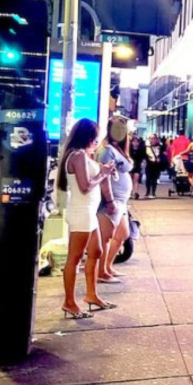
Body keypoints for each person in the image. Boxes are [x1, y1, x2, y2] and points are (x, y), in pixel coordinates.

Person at [58, 118, 117, 319]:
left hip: (88, 212)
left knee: (96, 251)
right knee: (74, 259)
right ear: (87, 136)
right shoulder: (78, 156)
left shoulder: (83, 155)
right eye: (94, 137)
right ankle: (69, 302)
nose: (96, 141)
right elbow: (85, 186)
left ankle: (91, 295)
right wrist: (103, 173)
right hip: (81, 212)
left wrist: (104, 171)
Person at [96, 117, 134, 284]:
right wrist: (109, 200)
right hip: (112, 200)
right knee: (105, 238)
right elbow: (103, 176)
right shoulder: (107, 150)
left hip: (121, 200)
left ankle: (108, 266)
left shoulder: (117, 149)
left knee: (122, 234)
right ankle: (101, 271)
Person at [145, 134, 163, 199]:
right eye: (151, 139)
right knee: (148, 179)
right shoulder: (147, 147)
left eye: (154, 138)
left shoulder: (160, 147)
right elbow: (144, 155)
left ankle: (153, 192)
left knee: (154, 179)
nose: (153, 140)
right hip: (149, 165)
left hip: (156, 166)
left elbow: (163, 155)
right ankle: (147, 192)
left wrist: (160, 159)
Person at [129, 135, 145, 200]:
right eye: (134, 141)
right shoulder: (129, 149)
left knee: (136, 179)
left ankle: (135, 192)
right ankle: (130, 192)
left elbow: (142, 158)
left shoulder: (141, 150)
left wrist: (142, 163)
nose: (135, 143)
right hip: (130, 165)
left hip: (137, 166)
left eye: (137, 142)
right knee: (130, 180)